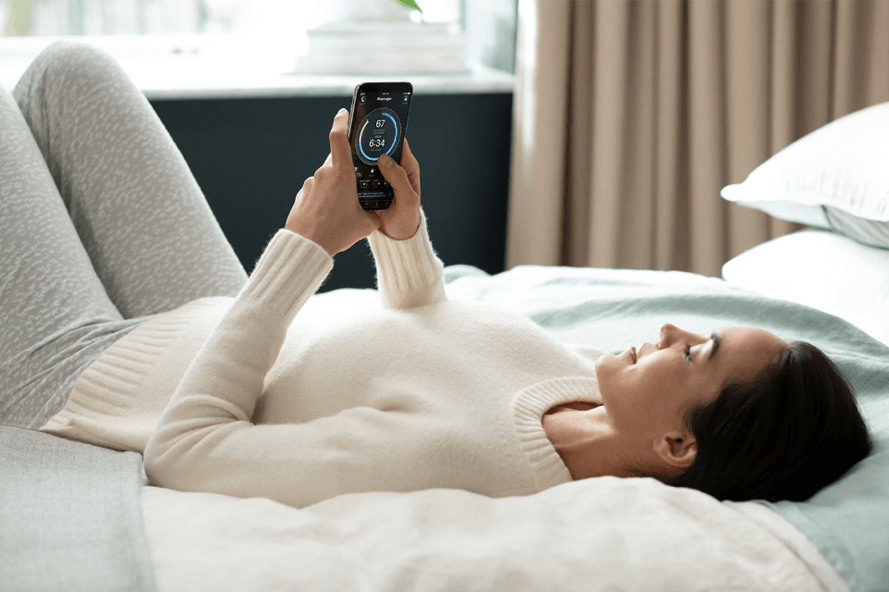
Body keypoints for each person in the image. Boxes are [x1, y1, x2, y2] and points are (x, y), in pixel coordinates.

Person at [0, 41, 872, 509]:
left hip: (90, 370)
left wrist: (306, 242)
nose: (676, 331)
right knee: (70, 71)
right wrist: (401, 232)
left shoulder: (464, 462)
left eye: (697, 354)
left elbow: (186, 455)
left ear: (677, 447)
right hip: (206, 311)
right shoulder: (579, 384)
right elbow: (430, 337)